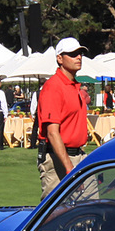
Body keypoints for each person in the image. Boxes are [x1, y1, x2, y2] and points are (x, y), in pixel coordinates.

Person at [36, 37, 91, 196]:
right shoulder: (53, 87)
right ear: (59, 58)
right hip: (59, 159)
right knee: (57, 215)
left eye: (80, 53)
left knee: (91, 211)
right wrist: (69, 169)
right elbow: (52, 133)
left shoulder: (74, 85)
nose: (79, 57)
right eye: (73, 54)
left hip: (79, 156)